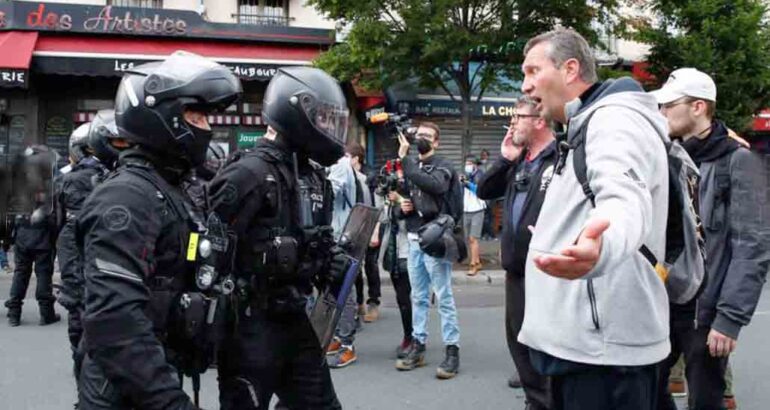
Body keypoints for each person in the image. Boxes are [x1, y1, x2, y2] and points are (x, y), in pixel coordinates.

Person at [76, 51, 242, 409]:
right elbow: (115, 322)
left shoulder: (168, 189)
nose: (205, 126)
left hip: (156, 370)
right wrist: (171, 402)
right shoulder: (127, 197)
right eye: (193, 115)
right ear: (161, 116)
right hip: (123, 391)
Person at [518, 28, 670, 410]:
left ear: (570, 69)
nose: (525, 85)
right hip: (592, 348)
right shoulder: (582, 125)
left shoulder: (613, 121)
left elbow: (624, 199)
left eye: (533, 71)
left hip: (604, 356)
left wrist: (601, 246)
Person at [209, 66, 349, 409]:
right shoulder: (248, 174)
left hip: (296, 316)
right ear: (296, 111)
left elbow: (317, 235)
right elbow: (210, 252)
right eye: (323, 118)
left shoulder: (314, 177)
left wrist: (329, 259)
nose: (329, 128)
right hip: (250, 326)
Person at [651, 67, 770, 410]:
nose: (662, 113)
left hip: (706, 310)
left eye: (669, 105)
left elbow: (753, 247)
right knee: (647, 391)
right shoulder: (666, 155)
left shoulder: (738, 159)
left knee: (705, 401)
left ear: (698, 107)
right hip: (663, 301)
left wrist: (729, 319)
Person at [477, 96, 557, 409]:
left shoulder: (560, 158)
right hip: (516, 273)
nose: (512, 122)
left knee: (547, 354)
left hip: (548, 274)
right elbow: (484, 190)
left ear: (539, 120)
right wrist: (506, 160)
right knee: (520, 346)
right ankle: (533, 400)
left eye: (518, 116)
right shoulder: (519, 160)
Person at [55, 114, 116, 407]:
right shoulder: (118, 180)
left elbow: (59, 229)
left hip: (79, 273)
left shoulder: (68, 181)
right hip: (112, 278)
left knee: (80, 335)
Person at [394, 121, 462, 380]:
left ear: (436, 142)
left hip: (435, 240)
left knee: (443, 296)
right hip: (413, 239)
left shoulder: (443, 165)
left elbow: (435, 186)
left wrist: (405, 160)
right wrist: (404, 207)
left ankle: (452, 351)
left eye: (427, 136)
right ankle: (418, 346)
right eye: (419, 134)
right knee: (418, 297)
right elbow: (407, 200)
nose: (421, 138)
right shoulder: (415, 167)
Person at [4, 144, 60, 327]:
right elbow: (56, 216)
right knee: (43, 274)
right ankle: (46, 314)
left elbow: (10, 214)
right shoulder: (50, 184)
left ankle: (14, 314)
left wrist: (9, 238)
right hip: (43, 236)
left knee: (20, 274)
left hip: (22, 235)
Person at [325, 142, 368, 369]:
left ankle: (348, 346)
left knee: (343, 291)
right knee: (335, 290)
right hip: (344, 235)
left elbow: (328, 195)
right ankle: (340, 338)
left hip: (343, 236)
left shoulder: (341, 165)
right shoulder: (345, 168)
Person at [376, 162, 414, 358]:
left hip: (409, 253)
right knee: (402, 300)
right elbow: (384, 221)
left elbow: (411, 220)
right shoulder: (389, 199)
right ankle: (410, 336)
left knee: (410, 299)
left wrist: (400, 200)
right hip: (394, 254)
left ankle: (413, 338)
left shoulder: (411, 196)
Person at [461, 155, 486, 276]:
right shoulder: (467, 175)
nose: (467, 166)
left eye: (470, 163)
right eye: (466, 163)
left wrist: (467, 184)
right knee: (469, 239)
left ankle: (474, 265)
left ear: (475, 165)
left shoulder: (480, 175)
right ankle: (477, 261)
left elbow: (479, 190)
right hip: (466, 210)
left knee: (473, 238)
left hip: (477, 210)